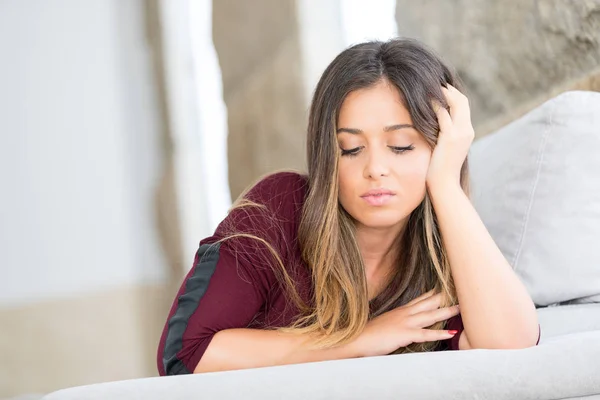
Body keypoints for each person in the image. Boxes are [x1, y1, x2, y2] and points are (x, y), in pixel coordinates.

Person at [157, 38, 540, 376]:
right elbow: (186, 354)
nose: (375, 169)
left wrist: (445, 185)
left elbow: (511, 345)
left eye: (402, 146)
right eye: (350, 149)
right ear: (326, 156)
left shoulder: (446, 254)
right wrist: (359, 341)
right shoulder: (280, 206)